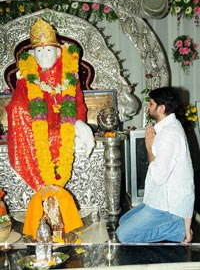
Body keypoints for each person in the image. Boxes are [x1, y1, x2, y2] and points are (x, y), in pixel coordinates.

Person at [6, 17, 95, 191]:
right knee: (17, 109)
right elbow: (17, 107)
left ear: (57, 52)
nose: (43, 55)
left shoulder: (69, 74)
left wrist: (78, 121)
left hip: (65, 125)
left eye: (48, 50)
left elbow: (78, 104)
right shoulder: (27, 77)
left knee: (72, 135)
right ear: (33, 54)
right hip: (35, 130)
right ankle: (41, 186)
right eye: (39, 51)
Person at [116, 86, 195, 243]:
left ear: (162, 108)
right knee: (123, 221)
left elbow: (158, 177)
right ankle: (173, 227)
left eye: (151, 104)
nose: (148, 107)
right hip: (157, 199)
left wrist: (149, 147)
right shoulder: (168, 127)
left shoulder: (169, 134)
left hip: (168, 206)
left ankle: (177, 230)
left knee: (123, 235)